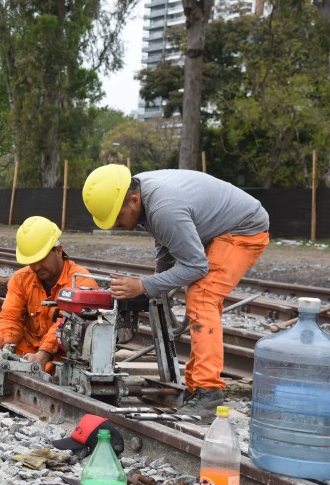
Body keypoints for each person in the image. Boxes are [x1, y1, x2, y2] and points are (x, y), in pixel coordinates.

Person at [82, 164, 270, 418]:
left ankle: (208, 392)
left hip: (243, 230)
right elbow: (165, 239)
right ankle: (196, 388)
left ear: (134, 200)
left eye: (116, 217)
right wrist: (158, 280)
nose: (115, 224)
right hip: (220, 229)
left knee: (203, 296)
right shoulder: (142, 195)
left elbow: (195, 266)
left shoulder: (163, 207)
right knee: (199, 295)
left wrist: (144, 285)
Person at [0, 216, 97, 374]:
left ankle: (32, 370)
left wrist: (44, 353)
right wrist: (7, 347)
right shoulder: (21, 279)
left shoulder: (81, 281)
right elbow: (10, 316)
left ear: (58, 251)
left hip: (60, 353)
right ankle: (27, 368)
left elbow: (66, 325)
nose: (37, 267)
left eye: (41, 259)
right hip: (29, 348)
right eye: (31, 261)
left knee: (69, 364)